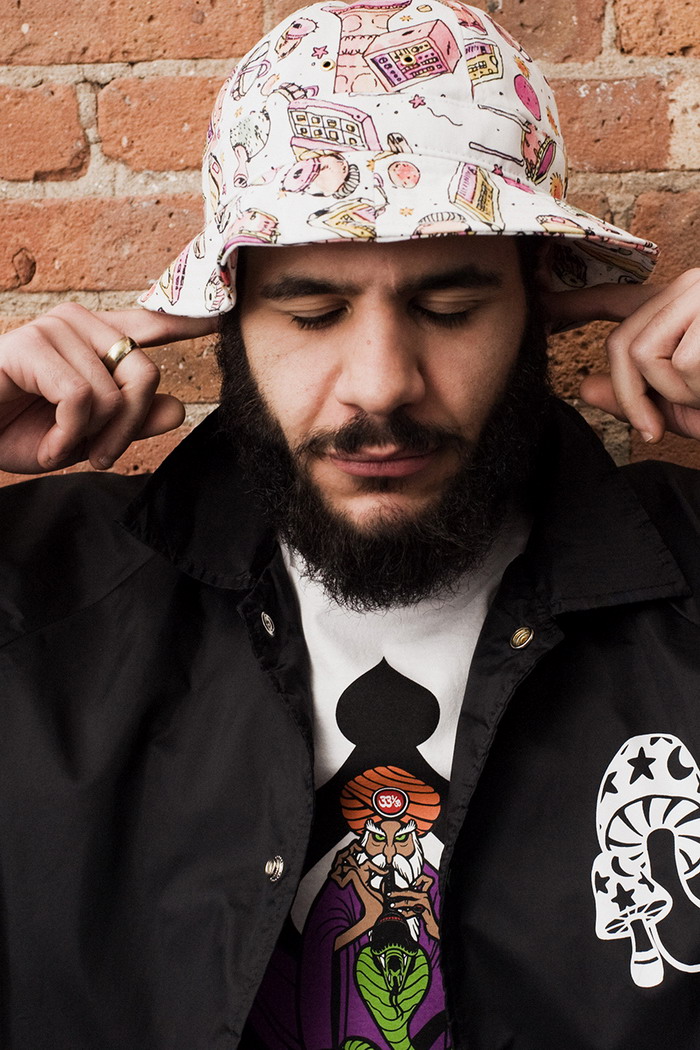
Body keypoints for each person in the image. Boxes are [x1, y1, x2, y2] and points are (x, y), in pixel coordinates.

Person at [0, 2, 699, 1048]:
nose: (380, 384)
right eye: (312, 313)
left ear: (539, 306)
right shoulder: (43, 597)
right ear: (228, 318)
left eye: (449, 310)